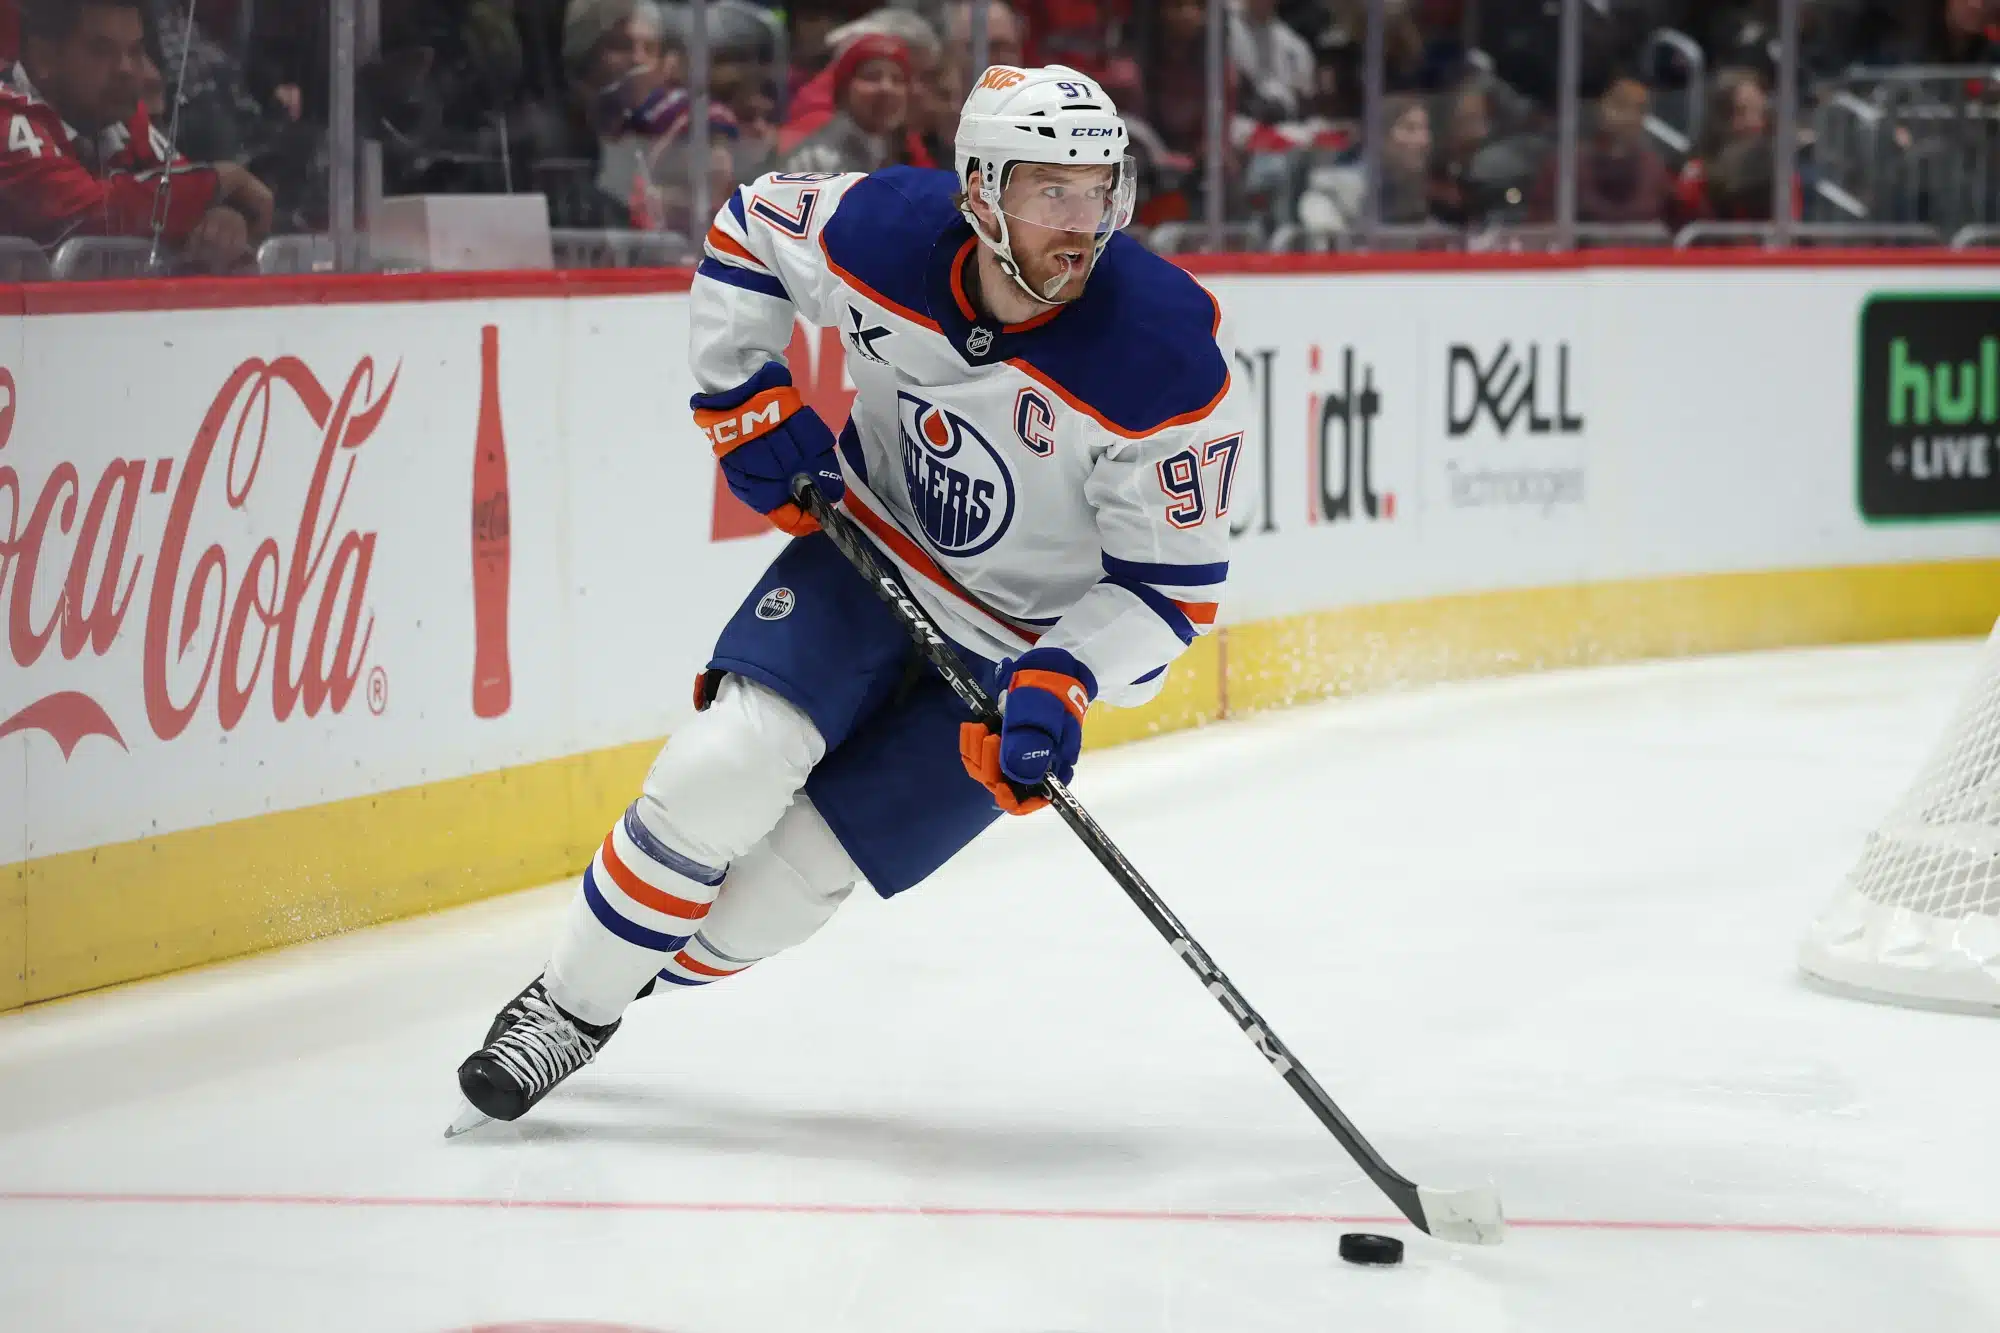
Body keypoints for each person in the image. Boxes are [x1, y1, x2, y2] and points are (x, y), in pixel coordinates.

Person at [452, 63, 1240, 1128]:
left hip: (1012, 653)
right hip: (870, 548)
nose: (1081, 222)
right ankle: (565, 1009)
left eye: (1098, 189)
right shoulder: (884, 233)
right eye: (1049, 190)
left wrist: (1064, 677)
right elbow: (748, 230)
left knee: (793, 884)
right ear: (979, 189)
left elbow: (1168, 590)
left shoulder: (1161, 357)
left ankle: (626, 975)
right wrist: (739, 390)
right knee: (728, 761)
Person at [0, 0, 272, 269]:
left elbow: (179, 189)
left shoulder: (119, 116)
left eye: (135, 50)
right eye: (101, 50)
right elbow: (91, 215)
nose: (126, 69)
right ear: (44, 58)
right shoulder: (7, 115)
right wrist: (218, 181)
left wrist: (221, 218)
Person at [780, 32, 917, 175]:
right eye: (871, 77)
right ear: (844, 91)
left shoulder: (895, 150)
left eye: (897, 79)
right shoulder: (817, 159)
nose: (886, 88)